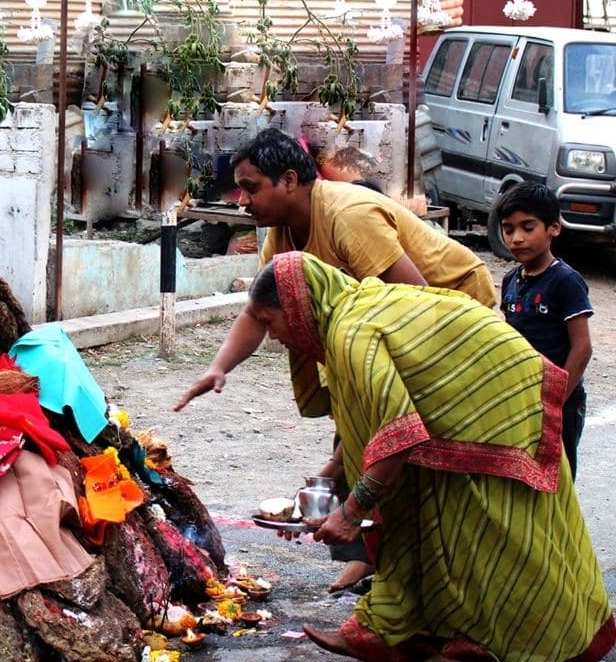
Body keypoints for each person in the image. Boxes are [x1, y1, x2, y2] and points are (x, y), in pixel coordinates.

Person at [175, 127, 495, 593]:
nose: (241, 201)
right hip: (384, 330)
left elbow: (418, 304)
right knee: (362, 427)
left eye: (250, 187)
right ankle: (374, 559)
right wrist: (218, 367)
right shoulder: (282, 235)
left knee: (401, 441)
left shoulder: (349, 215)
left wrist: (345, 453)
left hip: (446, 319)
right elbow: (261, 307)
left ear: (288, 180)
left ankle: (400, 570)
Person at [252, 252, 614, 661]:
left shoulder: (351, 332)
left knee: (503, 537)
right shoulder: (349, 313)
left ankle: (543, 643)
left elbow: (399, 436)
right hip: (456, 414)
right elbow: (371, 429)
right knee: (427, 513)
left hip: (499, 412)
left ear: (298, 306)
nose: (272, 337)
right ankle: (397, 632)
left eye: (269, 322)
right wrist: (322, 486)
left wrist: (352, 513)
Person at [493, 183, 593, 478]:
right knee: (523, 471)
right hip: (522, 394)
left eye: (528, 227)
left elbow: (582, 347)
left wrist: (556, 401)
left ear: (553, 228)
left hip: (560, 399)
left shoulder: (565, 280)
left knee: (558, 475)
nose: (517, 238)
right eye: (508, 230)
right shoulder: (511, 280)